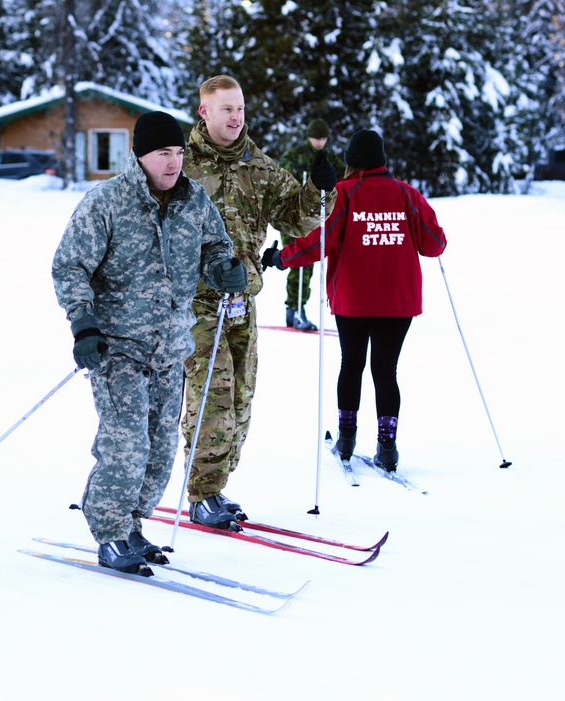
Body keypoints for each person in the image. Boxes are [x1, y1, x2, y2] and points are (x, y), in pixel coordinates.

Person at [51, 111, 246, 573]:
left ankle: (134, 524)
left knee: (159, 446)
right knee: (127, 442)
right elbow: (69, 265)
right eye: (164, 153)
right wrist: (83, 323)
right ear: (140, 156)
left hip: (170, 347)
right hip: (116, 346)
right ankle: (110, 532)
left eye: (178, 153)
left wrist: (224, 268)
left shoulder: (193, 200)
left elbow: (215, 247)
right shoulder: (107, 202)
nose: (174, 162)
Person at [180, 75, 337, 530]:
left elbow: (298, 217)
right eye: (226, 109)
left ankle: (216, 485)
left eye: (241, 109)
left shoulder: (260, 166)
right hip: (195, 305)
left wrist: (319, 192)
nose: (236, 118)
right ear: (204, 113)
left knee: (242, 401)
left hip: (241, 305)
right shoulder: (180, 166)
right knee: (214, 397)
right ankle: (203, 492)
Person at [262, 128, 447, 471]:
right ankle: (387, 447)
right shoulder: (407, 194)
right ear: (382, 161)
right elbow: (434, 244)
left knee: (352, 364)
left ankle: (346, 440)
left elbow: (321, 242)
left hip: (354, 299)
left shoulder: (344, 193)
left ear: (349, 162)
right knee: (385, 370)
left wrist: (280, 258)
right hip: (398, 301)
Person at [278, 118, 346, 331]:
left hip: (318, 218)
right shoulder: (295, 156)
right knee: (300, 262)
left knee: (307, 263)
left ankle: (295, 308)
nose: (319, 142)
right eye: (316, 138)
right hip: (293, 217)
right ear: (308, 136)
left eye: (323, 138)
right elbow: (283, 182)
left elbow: (345, 177)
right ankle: (295, 307)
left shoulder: (330, 159)